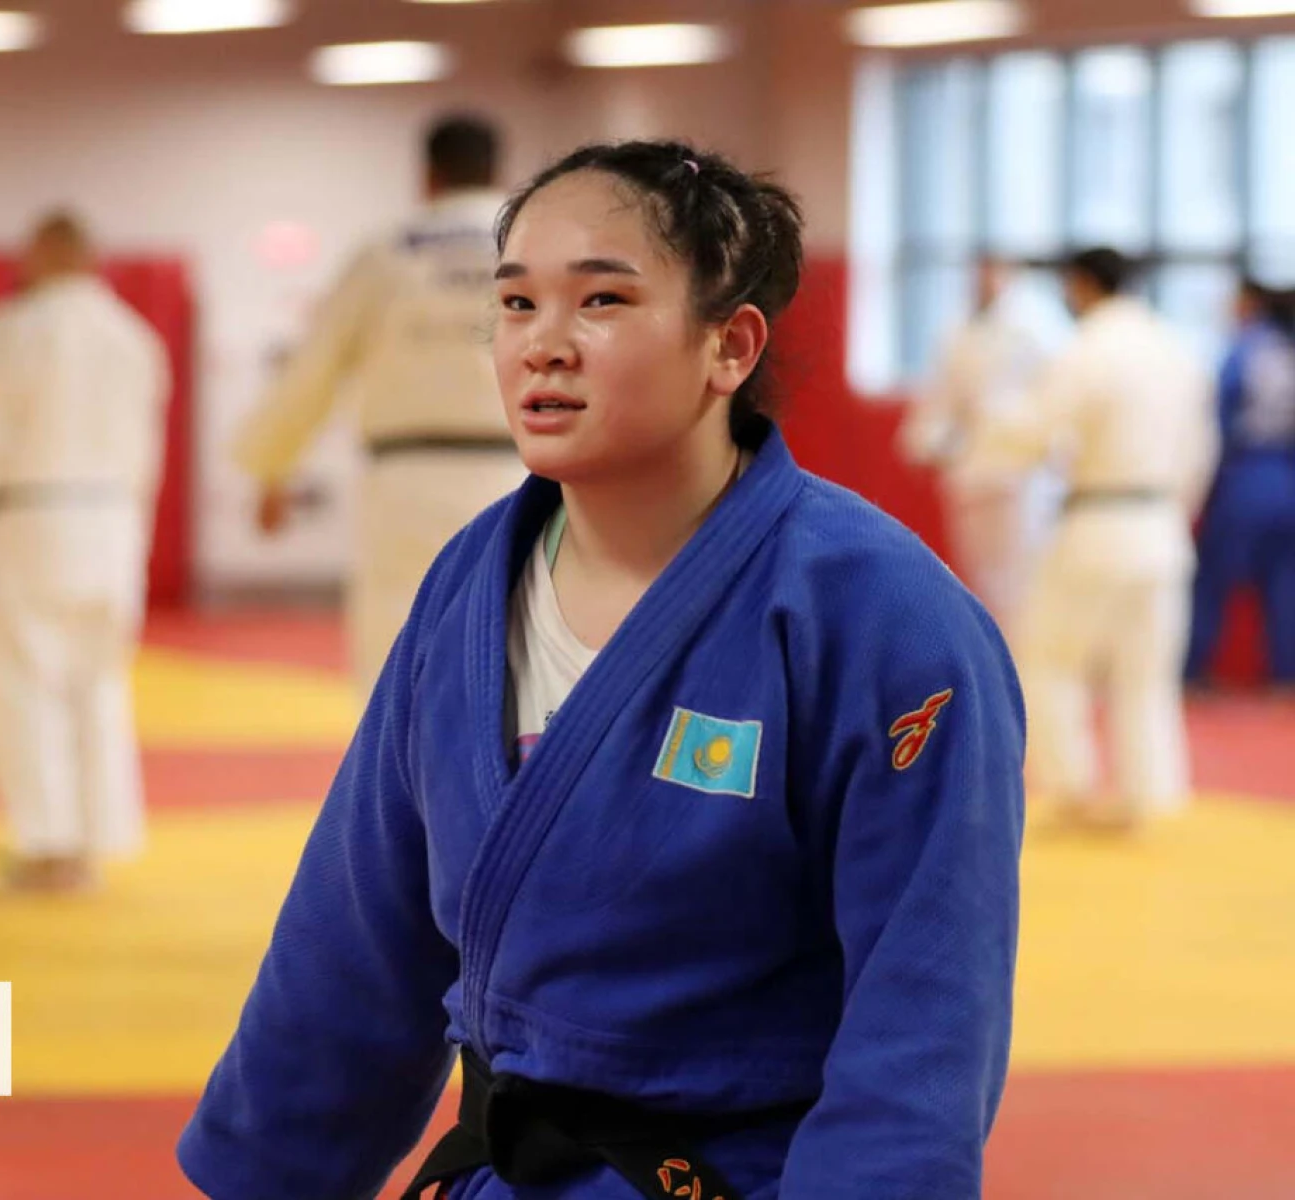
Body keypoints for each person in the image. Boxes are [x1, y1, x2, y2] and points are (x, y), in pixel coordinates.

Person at [180, 141, 1025, 1200]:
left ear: (729, 346)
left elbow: (922, 1023)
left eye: (602, 302)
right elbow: (354, 938)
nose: (544, 345)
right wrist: (265, 1174)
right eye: (517, 304)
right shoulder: (469, 585)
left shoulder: (882, 620)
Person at [0, 211, 169, 891]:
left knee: (26, 685)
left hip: (31, 526)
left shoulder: (11, 332)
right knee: (99, 688)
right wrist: (134, 535)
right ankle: (92, 845)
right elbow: (148, 454)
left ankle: (49, 846)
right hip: (113, 526)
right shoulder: (135, 339)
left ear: (45, 254)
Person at [234, 113, 527, 694]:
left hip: (406, 483)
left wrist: (272, 468)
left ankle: (399, 758)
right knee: (515, 652)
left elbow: (314, 368)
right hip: (521, 474)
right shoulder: (532, 246)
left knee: (399, 654)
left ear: (428, 176)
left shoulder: (386, 252)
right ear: (500, 172)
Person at [990, 249, 1216, 827]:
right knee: (1146, 673)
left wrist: (986, 445)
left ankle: (1070, 788)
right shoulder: (1176, 349)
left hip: (1096, 524)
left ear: (1084, 284)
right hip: (1162, 527)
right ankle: (1151, 795)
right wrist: (1172, 513)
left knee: (1051, 658)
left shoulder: (1087, 350)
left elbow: (1034, 432)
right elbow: (1201, 453)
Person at [899, 257, 1057, 634]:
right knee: (978, 581)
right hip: (969, 473)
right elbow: (941, 401)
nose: (985, 282)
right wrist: (929, 442)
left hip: (1019, 481)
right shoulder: (958, 333)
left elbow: (1054, 401)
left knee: (1018, 587)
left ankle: (1018, 658)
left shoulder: (1036, 328)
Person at [1184, 279, 1295, 691]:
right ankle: (1286, 678)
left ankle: (1194, 673)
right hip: (1288, 478)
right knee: (1286, 587)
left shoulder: (1246, 348)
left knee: (1212, 580)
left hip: (1246, 477)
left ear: (1251, 304)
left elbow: (1217, 423)